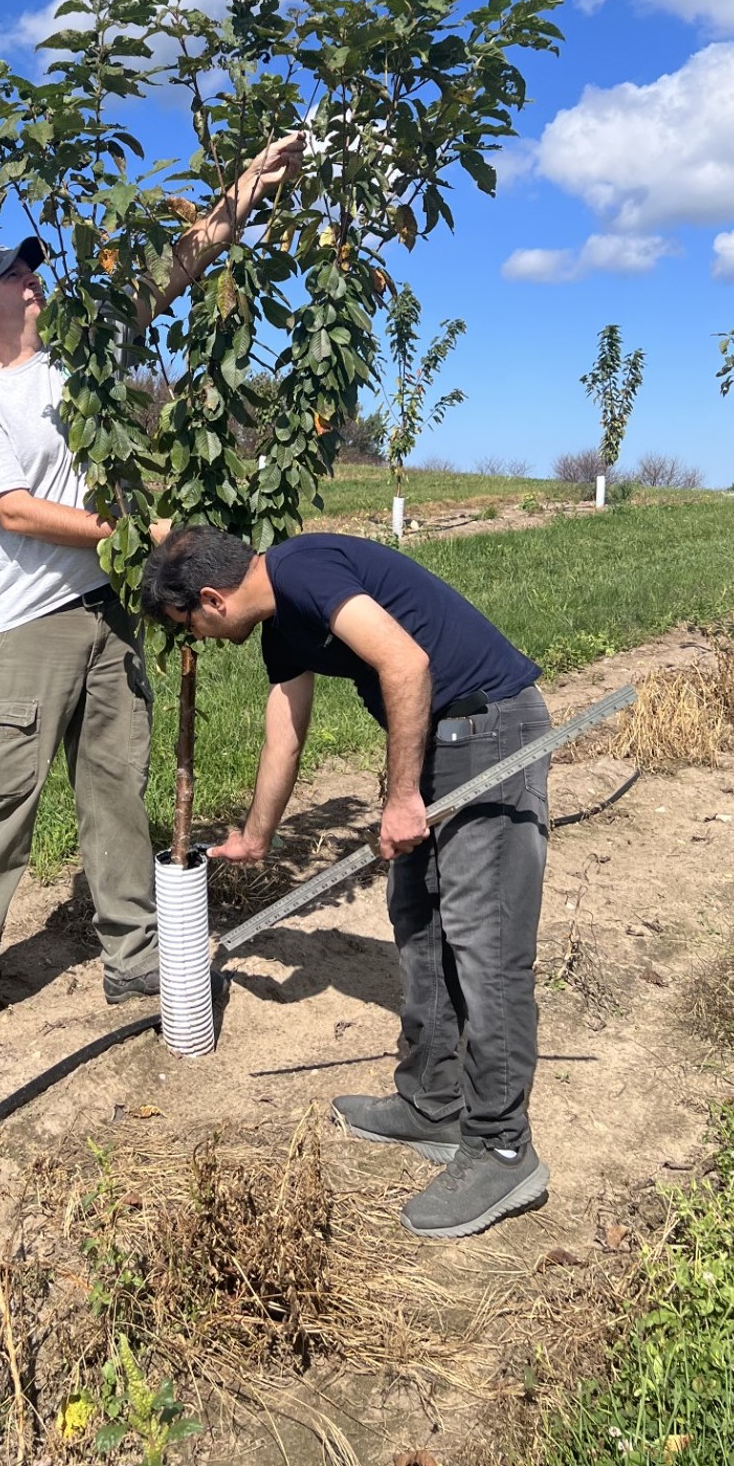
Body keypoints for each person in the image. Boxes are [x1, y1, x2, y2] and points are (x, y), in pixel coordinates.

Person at [0, 131, 303, 1065]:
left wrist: (247, 184)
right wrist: (132, 536)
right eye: (15, 276)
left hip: (109, 615)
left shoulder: (78, 365)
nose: (33, 283)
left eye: (33, 270)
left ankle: (133, 956)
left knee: (115, 796)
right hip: (24, 630)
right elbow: (9, 509)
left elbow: (172, 272)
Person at [138, 525, 553, 1240]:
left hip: (489, 729)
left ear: (212, 598)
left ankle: (503, 1146)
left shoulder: (303, 570)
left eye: (191, 626)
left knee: (487, 949)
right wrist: (257, 835)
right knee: (419, 928)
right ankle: (433, 1103)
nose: (199, 639)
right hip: (438, 741)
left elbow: (407, 663)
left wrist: (398, 800)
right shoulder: (283, 622)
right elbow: (285, 732)